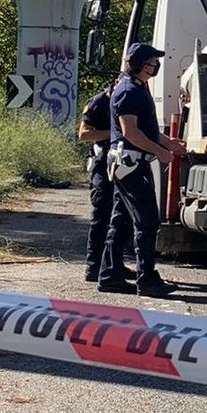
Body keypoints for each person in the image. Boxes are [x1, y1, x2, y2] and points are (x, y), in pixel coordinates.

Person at [100, 43, 185, 297]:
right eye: (151, 63)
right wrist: (161, 151)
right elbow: (131, 132)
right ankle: (146, 279)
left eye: (155, 63)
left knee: (121, 220)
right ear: (138, 65)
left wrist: (168, 143)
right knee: (146, 221)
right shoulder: (129, 91)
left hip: (127, 163)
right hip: (131, 164)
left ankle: (110, 275)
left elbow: (145, 129)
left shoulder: (135, 88)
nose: (155, 67)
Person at [78, 83, 130, 286]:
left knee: (120, 219)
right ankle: (93, 267)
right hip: (102, 166)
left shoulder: (127, 98)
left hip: (122, 165)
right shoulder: (99, 102)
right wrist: (114, 133)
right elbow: (84, 134)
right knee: (101, 217)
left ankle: (113, 264)